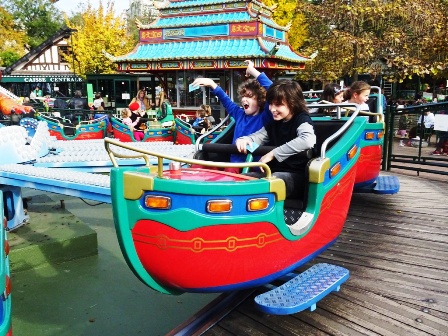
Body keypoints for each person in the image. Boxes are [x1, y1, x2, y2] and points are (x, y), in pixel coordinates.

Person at [235, 80, 316, 198]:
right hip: (274, 173)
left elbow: (307, 140)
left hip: (297, 175)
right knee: (243, 180)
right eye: (271, 104)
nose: (272, 109)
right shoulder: (275, 123)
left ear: (292, 103)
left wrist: (273, 153)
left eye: (278, 105)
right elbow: (258, 136)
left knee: (271, 181)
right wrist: (244, 139)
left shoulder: (301, 119)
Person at [191, 60, 273, 173]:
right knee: (202, 166)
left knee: (229, 169)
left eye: (249, 96)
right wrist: (212, 84)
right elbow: (225, 100)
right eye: (243, 96)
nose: (244, 99)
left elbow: (272, 89)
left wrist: (253, 71)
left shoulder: (265, 116)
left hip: (251, 167)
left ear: (259, 99)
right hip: (234, 164)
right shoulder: (239, 114)